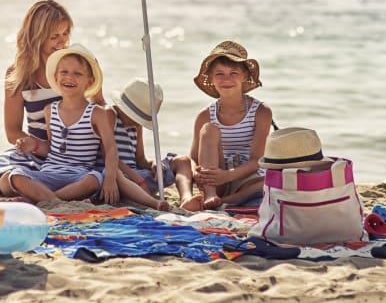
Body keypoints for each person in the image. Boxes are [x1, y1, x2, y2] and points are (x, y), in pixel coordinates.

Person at [0, 0, 83, 195]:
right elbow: (12, 131)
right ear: (37, 37)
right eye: (54, 36)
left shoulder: (76, 67)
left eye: (65, 33)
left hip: (73, 155)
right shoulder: (19, 73)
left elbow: (99, 111)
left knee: (10, 184)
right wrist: (35, 146)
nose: (62, 41)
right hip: (34, 152)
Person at [0, 44, 120, 204]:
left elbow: (111, 148)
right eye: (64, 72)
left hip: (79, 176)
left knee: (95, 179)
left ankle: (46, 199)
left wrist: (110, 178)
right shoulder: (50, 110)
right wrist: (33, 145)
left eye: (77, 73)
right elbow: (52, 147)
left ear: (89, 81)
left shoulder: (97, 113)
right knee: (13, 177)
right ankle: (57, 200)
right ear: (56, 78)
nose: (69, 77)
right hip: (49, 173)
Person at [188, 40, 273, 210]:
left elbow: (257, 160)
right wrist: (197, 171)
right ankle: (212, 195)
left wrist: (227, 176)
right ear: (211, 79)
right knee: (209, 129)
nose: (226, 79)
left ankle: (229, 200)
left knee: (271, 180)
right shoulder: (205, 116)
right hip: (215, 177)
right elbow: (193, 157)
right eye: (219, 74)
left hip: (246, 176)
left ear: (245, 76)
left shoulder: (261, 112)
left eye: (233, 72)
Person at [107, 78, 199, 211]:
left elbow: (140, 159)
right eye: (135, 117)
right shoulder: (110, 116)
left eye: (142, 119)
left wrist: (153, 163)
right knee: (120, 178)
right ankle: (148, 199)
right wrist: (137, 179)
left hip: (138, 176)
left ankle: (186, 198)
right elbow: (107, 155)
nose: (138, 122)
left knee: (183, 161)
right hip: (119, 177)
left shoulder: (136, 126)